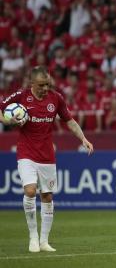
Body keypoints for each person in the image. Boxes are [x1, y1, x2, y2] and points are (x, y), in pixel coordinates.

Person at [0, 66, 94, 252]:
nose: (45, 88)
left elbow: (70, 121)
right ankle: (33, 237)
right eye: (42, 85)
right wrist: (7, 121)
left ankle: (44, 241)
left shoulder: (56, 98)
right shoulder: (21, 96)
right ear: (32, 83)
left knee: (47, 196)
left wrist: (83, 138)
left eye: (48, 84)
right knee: (30, 190)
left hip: (47, 155)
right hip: (26, 152)